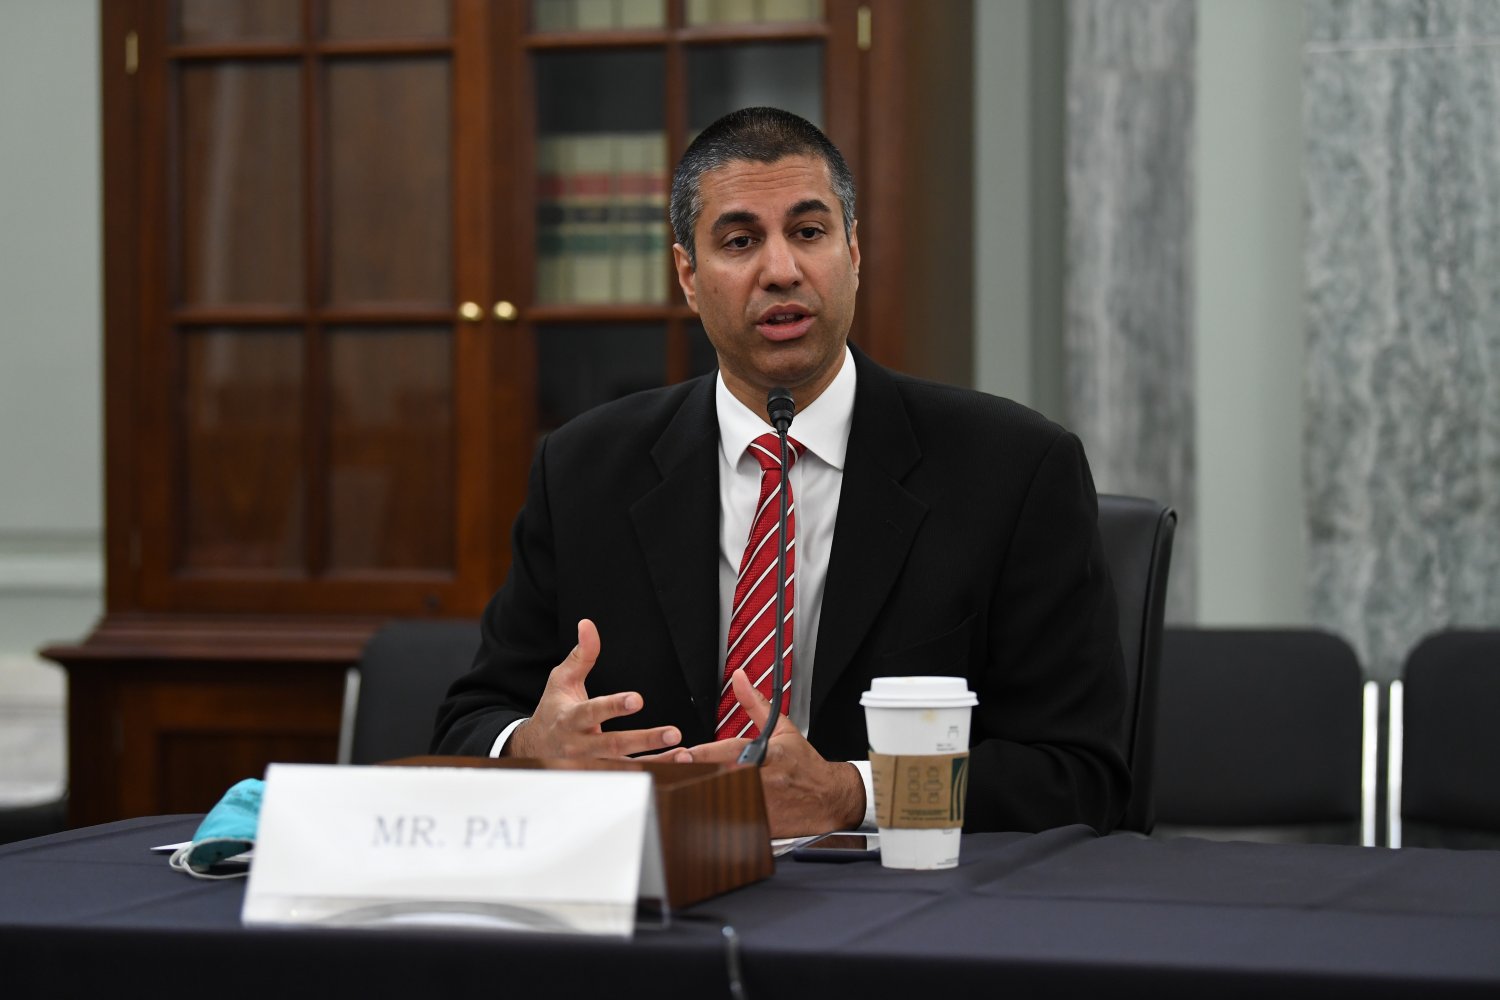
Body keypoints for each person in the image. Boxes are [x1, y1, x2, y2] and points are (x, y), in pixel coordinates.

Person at [433, 107, 1129, 838]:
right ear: (688, 275)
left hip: (905, 914)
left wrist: (857, 793)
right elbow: (469, 724)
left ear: (854, 251)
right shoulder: (582, 472)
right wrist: (531, 749)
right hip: (659, 905)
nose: (781, 270)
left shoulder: (1014, 471)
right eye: (740, 241)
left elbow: (1086, 777)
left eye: (808, 232)